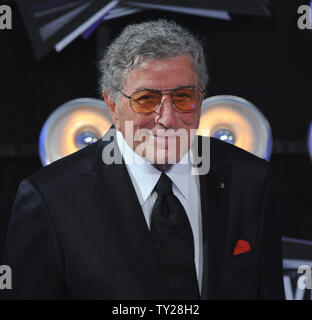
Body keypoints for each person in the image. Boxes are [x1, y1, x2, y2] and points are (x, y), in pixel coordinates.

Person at [1, 19, 284, 299]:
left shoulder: (250, 180)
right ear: (112, 104)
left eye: (183, 97)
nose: (167, 119)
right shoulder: (51, 198)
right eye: (146, 99)